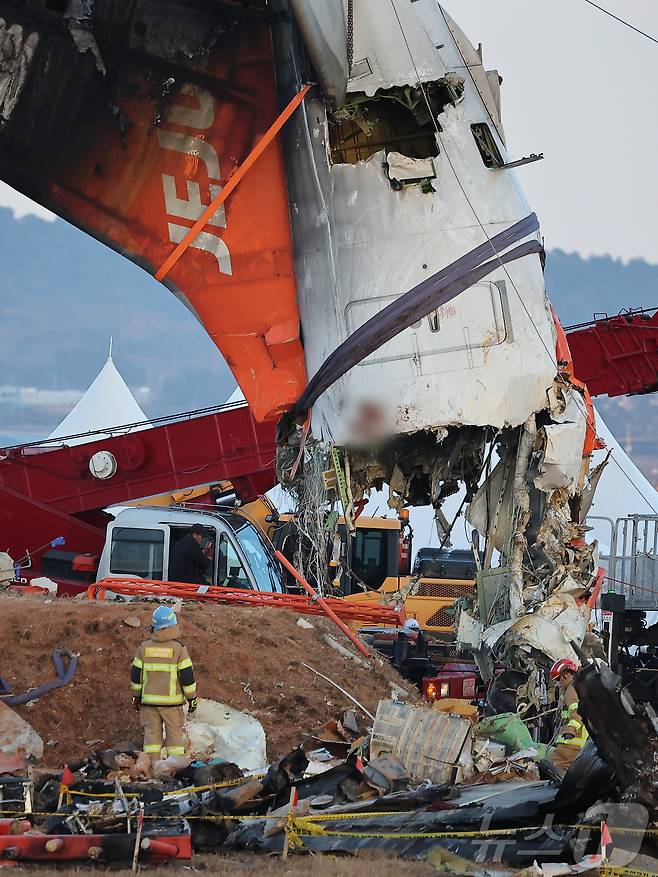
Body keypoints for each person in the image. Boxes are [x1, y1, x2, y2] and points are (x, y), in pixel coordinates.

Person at [130, 606, 197, 764]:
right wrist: (192, 699)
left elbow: (135, 675)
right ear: (173, 625)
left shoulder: (144, 648)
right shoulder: (179, 649)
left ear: (154, 627)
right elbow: (187, 677)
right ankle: (174, 770)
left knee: (151, 737)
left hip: (149, 704)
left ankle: (152, 768)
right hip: (172, 704)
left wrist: (136, 697)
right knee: (174, 737)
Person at [547, 658, 588, 774]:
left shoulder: (571, 689)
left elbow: (577, 711)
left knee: (554, 764)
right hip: (581, 740)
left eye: (558, 679)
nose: (559, 683)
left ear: (565, 675)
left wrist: (570, 730)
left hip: (573, 741)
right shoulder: (581, 686)